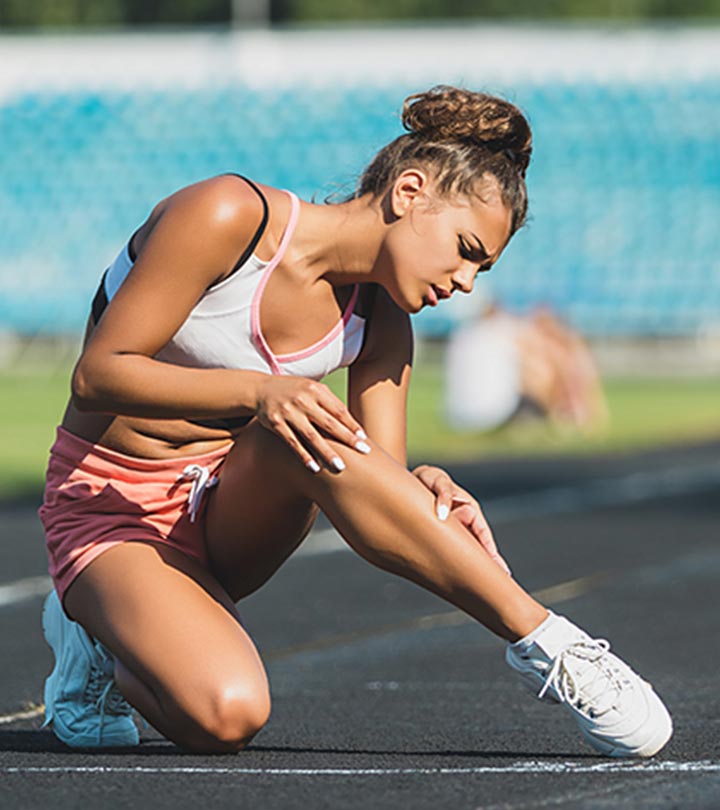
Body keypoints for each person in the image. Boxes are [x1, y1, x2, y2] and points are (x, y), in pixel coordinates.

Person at [38, 86, 672, 757]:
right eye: (465, 249)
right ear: (408, 191)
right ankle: (101, 629)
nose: (466, 282)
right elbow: (98, 374)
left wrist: (423, 486)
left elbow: (371, 478)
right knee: (227, 717)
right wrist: (262, 392)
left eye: (481, 269)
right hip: (109, 509)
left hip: (230, 516)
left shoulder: (384, 320)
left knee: (318, 435)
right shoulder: (228, 215)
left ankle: (553, 646)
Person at [445, 303, 609, 433]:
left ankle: (565, 413)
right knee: (538, 370)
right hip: (496, 412)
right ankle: (564, 415)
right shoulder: (509, 331)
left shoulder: (462, 335)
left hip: (457, 417)